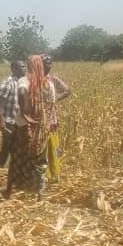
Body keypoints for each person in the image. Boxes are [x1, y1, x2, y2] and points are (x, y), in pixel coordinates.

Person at [5, 55, 55, 198]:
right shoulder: (49, 84)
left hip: (24, 127)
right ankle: (40, 192)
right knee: (39, 160)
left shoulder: (24, 80)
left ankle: (9, 190)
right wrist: (45, 122)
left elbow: (21, 93)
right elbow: (51, 105)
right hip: (42, 127)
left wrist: (26, 114)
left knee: (17, 159)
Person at [41, 54, 71, 182]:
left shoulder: (52, 79)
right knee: (43, 148)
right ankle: (46, 174)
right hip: (39, 119)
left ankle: (54, 173)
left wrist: (54, 99)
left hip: (50, 118)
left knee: (53, 146)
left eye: (50, 63)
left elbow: (67, 90)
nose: (48, 66)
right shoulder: (34, 80)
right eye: (46, 64)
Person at [0, 60, 26, 169]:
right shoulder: (8, 83)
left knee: (16, 149)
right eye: (22, 66)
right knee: (7, 148)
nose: (25, 68)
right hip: (9, 121)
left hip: (18, 121)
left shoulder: (22, 82)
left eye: (25, 66)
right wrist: (1, 121)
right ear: (14, 69)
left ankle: (12, 173)